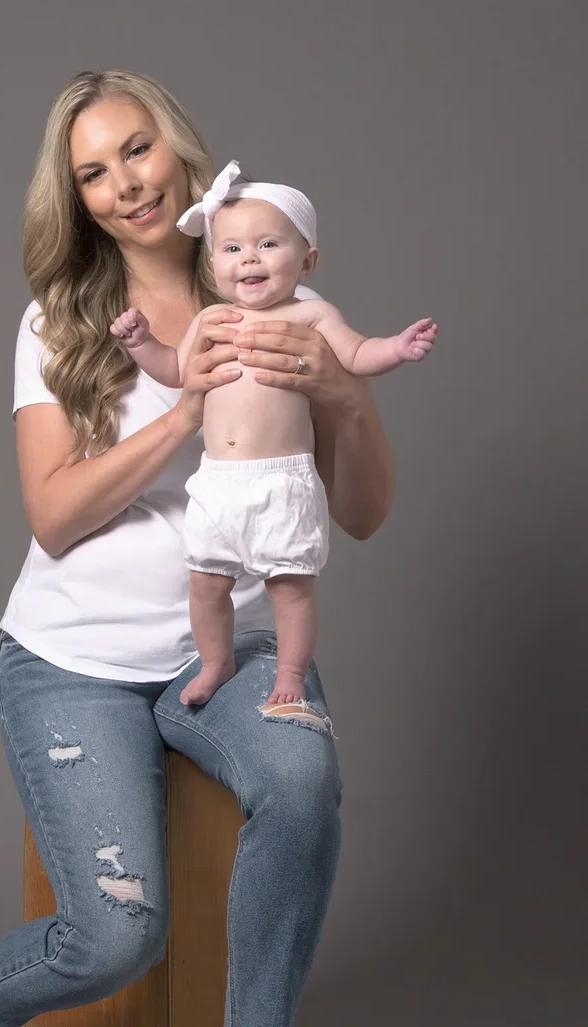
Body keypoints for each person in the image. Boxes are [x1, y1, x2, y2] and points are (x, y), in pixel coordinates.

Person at [0, 69, 395, 1027]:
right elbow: (53, 517)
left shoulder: (272, 286)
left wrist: (343, 396)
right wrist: (184, 410)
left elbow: (364, 515)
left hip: (226, 649)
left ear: (177, 150)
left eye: (136, 150)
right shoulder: (60, 325)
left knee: (304, 783)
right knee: (115, 933)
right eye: (93, 171)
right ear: (76, 199)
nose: (125, 183)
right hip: (71, 661)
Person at [111, 159, 436, 707]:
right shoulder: (211, 320)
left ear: (307, 261)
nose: (249, 259)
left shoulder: (311, 317)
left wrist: (396, 348)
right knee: (205, 583)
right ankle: (215, 662)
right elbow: (175, 370)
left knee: (291, 588)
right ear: (213, 262)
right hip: (217, 481)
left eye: (268, 245)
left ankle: (289, 674)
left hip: (282, 480)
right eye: (232, 248)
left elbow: (356, 355)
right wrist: (141, 342)